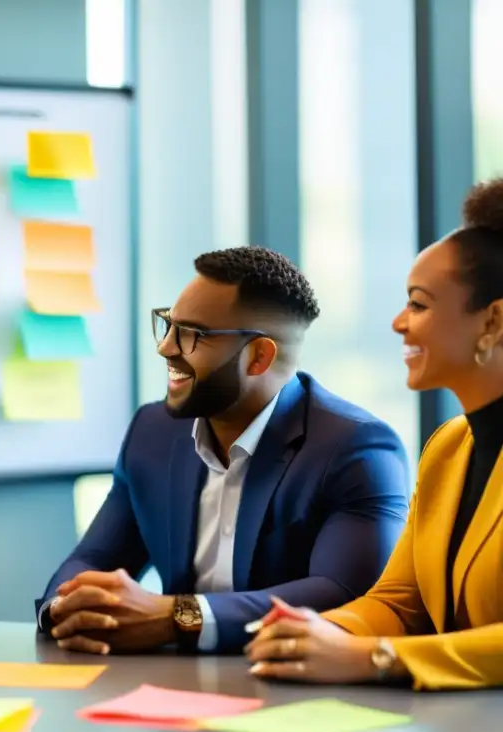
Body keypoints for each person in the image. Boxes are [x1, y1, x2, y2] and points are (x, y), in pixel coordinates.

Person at [37, 246, 411, 655]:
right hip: (174, 689)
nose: (166, 348)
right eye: (168, 325)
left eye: (192, 335)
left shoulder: (357, 448)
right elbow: (94, 557)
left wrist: (178, 617)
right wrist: (66, 607)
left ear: (258, 357)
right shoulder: (154, 431)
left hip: (296, 686)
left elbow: (342, 593)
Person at [246, 178, 503, 690]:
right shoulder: (450, 447)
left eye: (419, 304)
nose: (398, 323)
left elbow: (389, 644)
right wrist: (320, 632)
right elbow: (398, 600)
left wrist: (374, 657)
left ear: (492, 321)